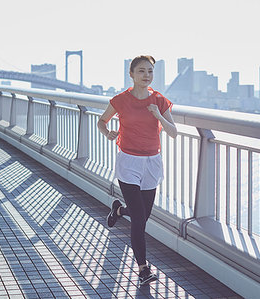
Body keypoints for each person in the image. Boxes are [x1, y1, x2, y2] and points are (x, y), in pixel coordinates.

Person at [97, 55, 177, 286]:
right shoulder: (121, 100)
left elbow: (173, 132)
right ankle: (143, 269)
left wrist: (158, 115)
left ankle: (119, 211)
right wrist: (108, 133)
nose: (146, 75)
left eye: (150, 71)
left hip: (152, 162)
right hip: (129, 161)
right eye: (141, 71)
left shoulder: (160, 101)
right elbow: (102, 121)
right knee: (140, 219)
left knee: (143, 215)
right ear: (131, 74)